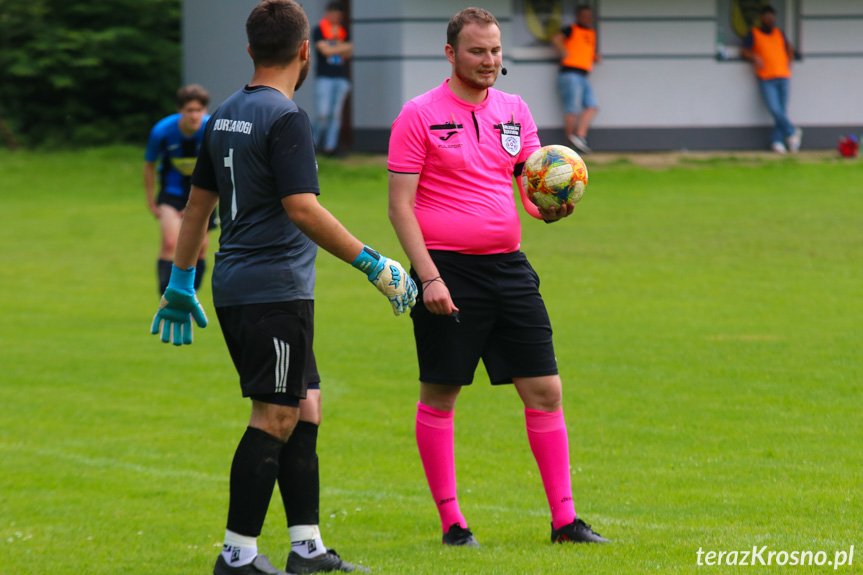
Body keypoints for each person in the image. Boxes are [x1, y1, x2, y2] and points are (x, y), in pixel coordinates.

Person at [149, 2, 417, 574]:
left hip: (237, 285)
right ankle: (237, 556)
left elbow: (198, 205)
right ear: (304, 51)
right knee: (273, 416)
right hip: (274, 291)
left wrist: (179, 279)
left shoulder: (223, 113)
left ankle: (307, 548)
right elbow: (302, 209)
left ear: (250, 50)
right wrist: (374, 264)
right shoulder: (287, 117)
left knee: (306, 408)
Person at [387, 7, 609, 548]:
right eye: (477, 51)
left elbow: (526, 185)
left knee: (545, 390)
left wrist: (547, 210)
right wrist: (429, 278)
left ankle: (565, 522)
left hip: (509, 268)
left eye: (495, 51)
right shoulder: (417, 114)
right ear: (451, 54)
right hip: (447, 269)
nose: (489, 61)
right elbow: (400, 207)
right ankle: (453, 524)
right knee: (441, 394)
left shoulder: (515, 110)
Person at [144, 84, 217, 295]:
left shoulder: (211, 129)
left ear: (204, 111)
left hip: (204, 195)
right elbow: (149, 165)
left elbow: (220, 168)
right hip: (172, 193)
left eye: (199, 110)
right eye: (189, 110)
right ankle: (165, 300)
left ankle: (188, 300)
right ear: (180, 111)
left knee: (201, 248)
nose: (195, 115)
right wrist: (151, 200)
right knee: (169, 243)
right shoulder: (162, 131)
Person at [740, 4, 802, 154]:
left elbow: (789, 49)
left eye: (771, 16)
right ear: (760, 18)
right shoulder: (754, 33)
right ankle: (792, 131)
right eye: (766, 16)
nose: (769, 19)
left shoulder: (779, 33)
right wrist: (754, 57)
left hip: (783, 76)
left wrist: (790, 61)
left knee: (781, 110)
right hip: (766, 78)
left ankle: (777, 141)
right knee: (775, 109)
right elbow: (744, 51)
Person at [551, 5, 600, 154]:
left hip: (584, 74)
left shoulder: (591, 32)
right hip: (570, 73)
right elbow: (556, 38)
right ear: (578, 16)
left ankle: (579, 137)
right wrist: (564, 52)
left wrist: (593, 57)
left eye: (589, 16)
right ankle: (569, 144)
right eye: (584, 15)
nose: (587, 18)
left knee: (591, 106)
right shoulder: (571, 29)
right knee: (572, 108)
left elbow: (584, 50)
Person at [312, 2, 353, 156]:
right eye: (334, 14)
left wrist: (334, 47)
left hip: (340, 78)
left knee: (335, 115)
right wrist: (341, 47)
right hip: (324, 78)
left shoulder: (343, 32)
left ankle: (330, 147)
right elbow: (325, 50)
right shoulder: (319, 30)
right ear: (327, 13)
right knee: (322, 114)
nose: (336, 18)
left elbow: (349, 52)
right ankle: (313, 145)